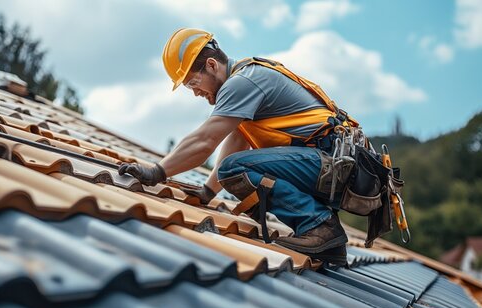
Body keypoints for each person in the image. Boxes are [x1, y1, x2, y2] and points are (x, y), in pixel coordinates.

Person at [119, 28, 360, 265]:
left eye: (194, 82)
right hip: (331, 165)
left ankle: (320, 226)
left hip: (332, 164)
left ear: (212, 65)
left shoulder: (242, 83)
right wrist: (208, 192)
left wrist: (157, 172)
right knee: (232, 169)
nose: (195, 93)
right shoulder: (247, 78)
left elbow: (204, 142)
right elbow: (238, 139)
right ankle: (324, 236)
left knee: (233, 171)